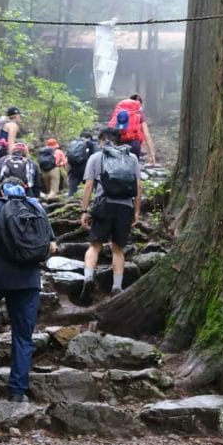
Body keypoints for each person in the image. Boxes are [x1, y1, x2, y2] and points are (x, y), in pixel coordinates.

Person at [0, 175, 57, 403]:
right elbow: (51, 245)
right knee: (23, 335)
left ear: (0, 189)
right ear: (25, 188)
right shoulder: (36, 206)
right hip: (29, 279)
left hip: (0, 274)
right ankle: (17, 391)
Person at [79, 127, 142, 304]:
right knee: (118, 249)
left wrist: (84, 210)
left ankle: (88, 278)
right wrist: (136, 211)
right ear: (119, 141)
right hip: (125, 207)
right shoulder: (132, 158)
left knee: (94, 246)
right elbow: (138, 186)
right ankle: (116, 287)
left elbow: (89, 186)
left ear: (101, 141)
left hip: (103, 205)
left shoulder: (96, 157)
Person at [108, 93, 156, 164]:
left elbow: (111, 128)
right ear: (140, 105)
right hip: (134, 145)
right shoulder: (139, 114)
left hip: (118, 144)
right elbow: (146, 135)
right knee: (133, 169)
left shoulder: (119, 112)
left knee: (118, 167)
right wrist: (152, 154)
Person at [66, 129, 98, 196]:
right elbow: (93, 156)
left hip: (74, 168)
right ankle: (89, 198)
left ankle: (70, 198)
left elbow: (68, 156)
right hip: (85, 168)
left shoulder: (73, 143)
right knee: (89, 185)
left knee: (72, 186)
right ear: (89, 137)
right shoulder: (89, 143)